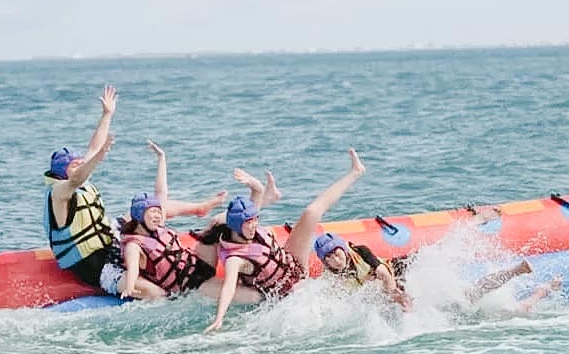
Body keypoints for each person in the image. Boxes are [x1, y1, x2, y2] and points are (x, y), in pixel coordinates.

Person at [44, 87, 225, 301]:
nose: (81, 165)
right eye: (75, 165)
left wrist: (107, 114)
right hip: (92, 264)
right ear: (62, 173)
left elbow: (94, 146)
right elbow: (79, 175)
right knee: (155, 293)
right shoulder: (59, 192)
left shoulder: (79, 176)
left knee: (148, 211)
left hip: (107, 239)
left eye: (80, 163)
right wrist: (99, 157)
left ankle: (197, 208)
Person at [203, 148, 367, 333]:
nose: (254, 225)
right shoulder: (235, 258)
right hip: (285, 292)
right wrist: (219, 318)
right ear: (236, 226)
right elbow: (229, 288)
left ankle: (356, 172)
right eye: (249, 223)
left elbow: (256, 194)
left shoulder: (248, 228)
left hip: (293, 263)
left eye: (255, 220)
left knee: (311, 212)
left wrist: (253, 184)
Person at [119, 141, 261, 302]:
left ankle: (258, 197)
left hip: (199, 261)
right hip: (191, 285)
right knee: (253, 297)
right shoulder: (134, 245)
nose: (159, 215)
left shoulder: (156, 226)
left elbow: (161, 191)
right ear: (139, 216)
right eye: (153, 212)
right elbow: (132, 270)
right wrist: (130, 287)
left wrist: (162, 158)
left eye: (159, 211)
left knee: (219, 222)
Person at [314, 232, 560, 312]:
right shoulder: (333, 275)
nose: (336, 260)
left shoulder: (361, 252)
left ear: (343, 248)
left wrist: (397, 296)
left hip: (409, 273)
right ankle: (539, 288)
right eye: (329, 259)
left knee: (468, 295)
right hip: (398, 293)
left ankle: (517, 270)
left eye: (336, 253)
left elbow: (384, 275)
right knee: (466, 299)